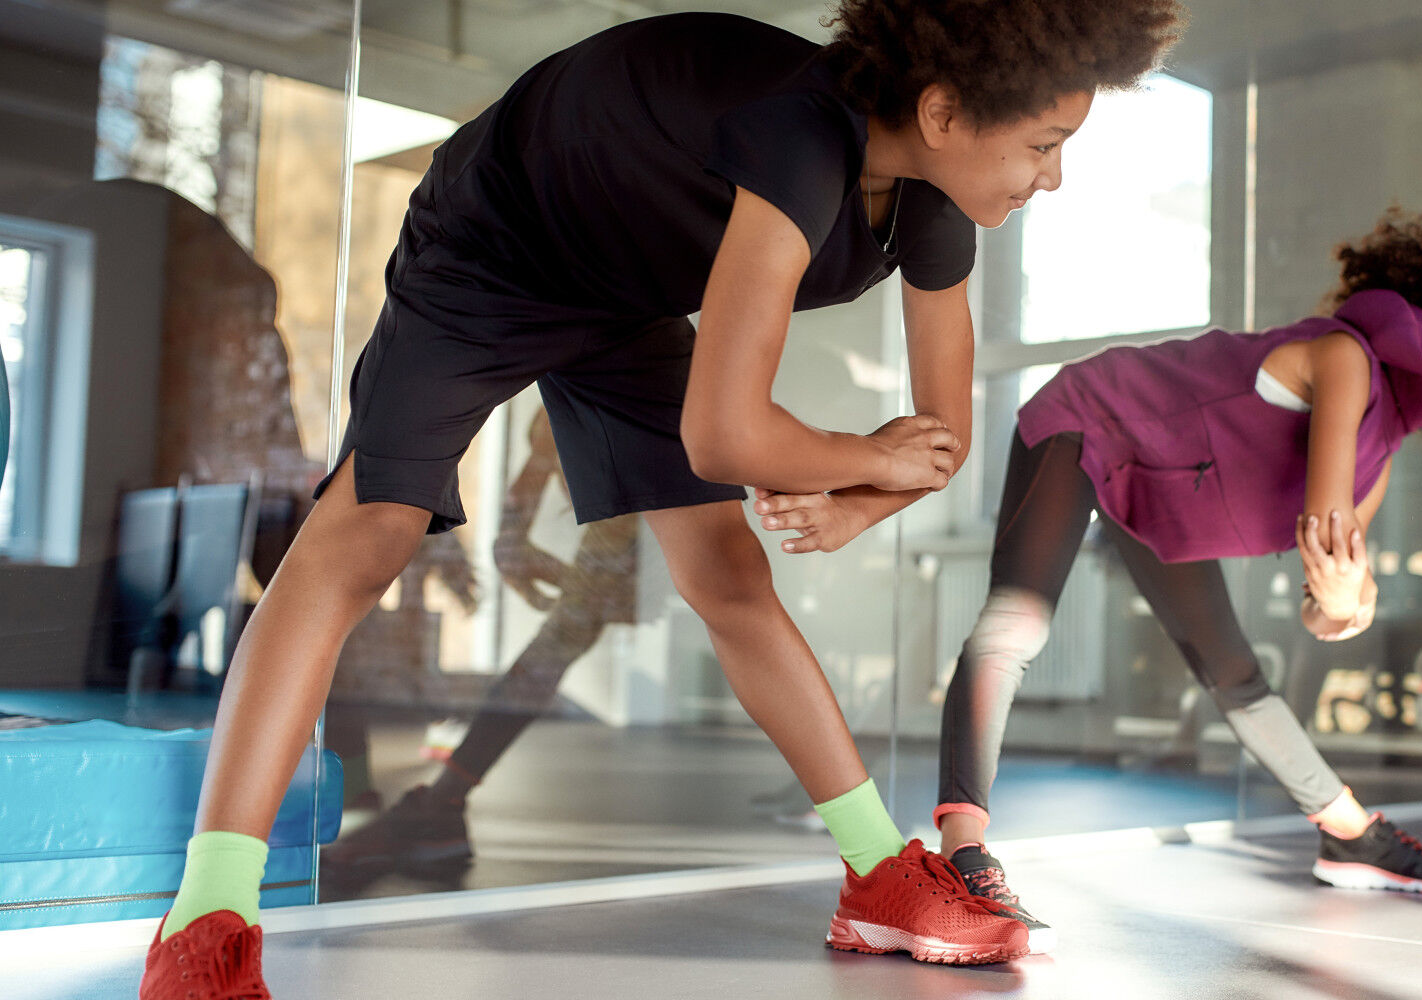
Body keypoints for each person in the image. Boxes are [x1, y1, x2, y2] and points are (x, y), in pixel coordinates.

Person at [141, 4, 1186, 994]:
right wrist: (853, 455)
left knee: (729, 570)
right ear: (944, 113)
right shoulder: (798, 135)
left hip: (620, 293)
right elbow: (726, 432)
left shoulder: (937, 208)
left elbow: (936, 441)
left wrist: (859, 497)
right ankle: (205, 916)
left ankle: (876, 873)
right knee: (369, 532)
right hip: (494, 245)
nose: (1052, 179)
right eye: (1044, 144)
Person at [855, 212, 1422, 949]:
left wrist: (1340, 611)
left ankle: (1350, 834)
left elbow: (1324, 607)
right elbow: (1325, 531)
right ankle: (962, 849)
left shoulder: (1382, 452)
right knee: (1019, 622)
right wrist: (1339, 591)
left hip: (1165, 492)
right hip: (1092, 419)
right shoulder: (1346, 358)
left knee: (1234, 670)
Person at [318, 407, 644, 886]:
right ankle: (441, 803)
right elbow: (527, 488)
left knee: (563, 640)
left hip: (669, 497)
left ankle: (440, 804)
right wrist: (512, 541)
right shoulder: (560, 412)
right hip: (637, 501)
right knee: (558, 644)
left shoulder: (625, 413)